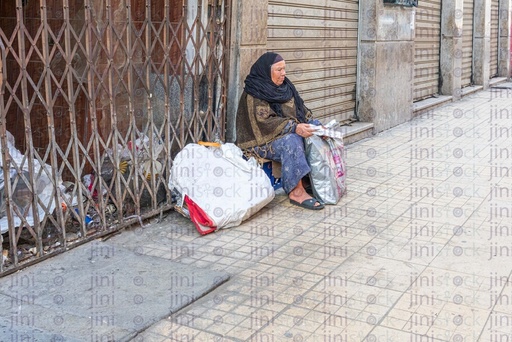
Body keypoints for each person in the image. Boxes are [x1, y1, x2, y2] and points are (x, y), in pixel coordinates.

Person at [235, 52, 324, 210]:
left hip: (280, 133)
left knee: (316, 129)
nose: (284, 73)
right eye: (279, 70)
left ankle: (314, 181)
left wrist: (315, 125)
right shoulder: (254, 92)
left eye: (284, 69)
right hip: (259, 141)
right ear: (267, 71)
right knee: (291, 141)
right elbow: (263, 122)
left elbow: (300, 111)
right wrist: (294, 127)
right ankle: (296, 191)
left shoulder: (285, 87)